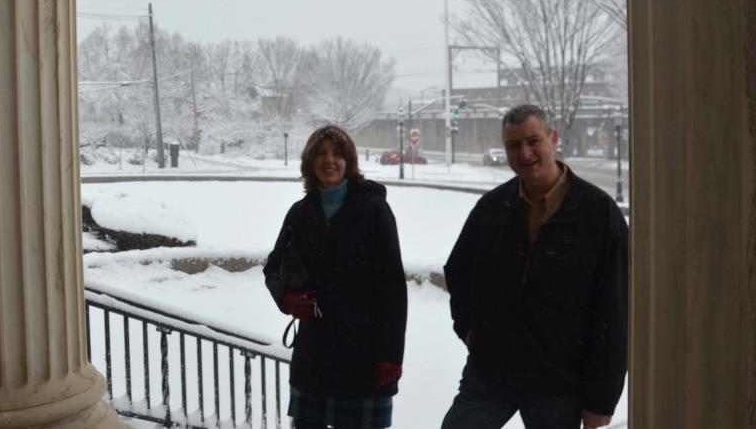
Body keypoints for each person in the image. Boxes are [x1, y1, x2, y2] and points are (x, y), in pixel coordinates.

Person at [441, 104, 628, 429]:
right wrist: (470, 329)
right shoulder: (493, 208)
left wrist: (602, 398)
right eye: (514, 145)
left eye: (533, 141)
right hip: (491, 371)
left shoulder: (597, 213)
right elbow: (459, 270)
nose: (524, 153)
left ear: (552, 138)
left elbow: (615, 309)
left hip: (559, 381)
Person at [264, 125, 408, 429]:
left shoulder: (374, 210)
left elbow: (392, 287)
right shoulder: (300, 213)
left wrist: (390, 356)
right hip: (314, 355)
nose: (329, 160)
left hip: (364, 357)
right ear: (309, 163)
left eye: (338, 154)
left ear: (349, 162)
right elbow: (274, 267)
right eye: (320, 153)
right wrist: (286, 299)